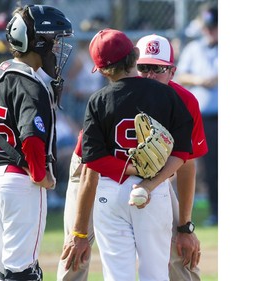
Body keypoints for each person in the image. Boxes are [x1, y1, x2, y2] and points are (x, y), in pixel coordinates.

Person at [59, 28, 196, 281]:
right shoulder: (168, 95)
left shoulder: (98, 100)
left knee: (117, 274)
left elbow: (93, 163)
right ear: (134, 55)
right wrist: (147, 178)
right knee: (155, 274)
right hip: (154, 193)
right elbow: (182, 154)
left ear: (100, 70)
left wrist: (128, 169)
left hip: (109, 192)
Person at [0, 5, 73, 281]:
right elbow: (31, 136)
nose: (57, 47)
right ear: (38, 42)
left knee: (8, 271)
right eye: (54, 40)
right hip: (21, 184)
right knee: (23, 273)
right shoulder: (31, 85)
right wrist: (40, 175)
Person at [136, 33, 208, 280]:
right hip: (97, 174)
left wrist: (185, 226)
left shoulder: (185, 101)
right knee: (74, 250)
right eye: (143, 67)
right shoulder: (117, 95)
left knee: (183, 255)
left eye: (158, 69)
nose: (149, 75)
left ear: (172, 71)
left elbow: (187, 165)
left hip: (157, 179)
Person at [176, 4, 218, 226]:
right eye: (208, 27)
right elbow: (180, 75)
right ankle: (216, 211)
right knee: (210, 167)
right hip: (207, 117)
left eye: (215, 27)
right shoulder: (195, 48)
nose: (210, 31)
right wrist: (201, 81)